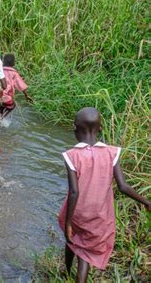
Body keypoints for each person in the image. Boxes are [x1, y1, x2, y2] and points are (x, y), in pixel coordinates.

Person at [58, 107, 151, 283]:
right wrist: (146, 202)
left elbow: (74, 192)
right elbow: (123, 186)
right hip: (99, 214)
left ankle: (68, 271)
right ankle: (70, 274)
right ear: (100, 128)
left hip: (77, 212)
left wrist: (69, 221)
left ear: (75, 129)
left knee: (71, 239)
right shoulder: (111, 152)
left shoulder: (71, 155)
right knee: (86, 251)